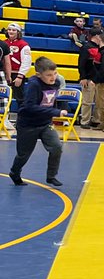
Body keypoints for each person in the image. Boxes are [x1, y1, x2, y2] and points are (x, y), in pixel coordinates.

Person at [8, 57, 66, 187]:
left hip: (45, 123)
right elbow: (30, 107)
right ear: (38, 75)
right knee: (23, 155)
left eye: (55, 73)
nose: (53, 77)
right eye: (49, 75)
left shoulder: (56, 82)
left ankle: (51, 176)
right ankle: (14, 172)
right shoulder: (34, 85)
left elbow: (51, 101)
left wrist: (54, 112)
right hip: (27, 125)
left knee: (56, 147)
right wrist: (55, 112)